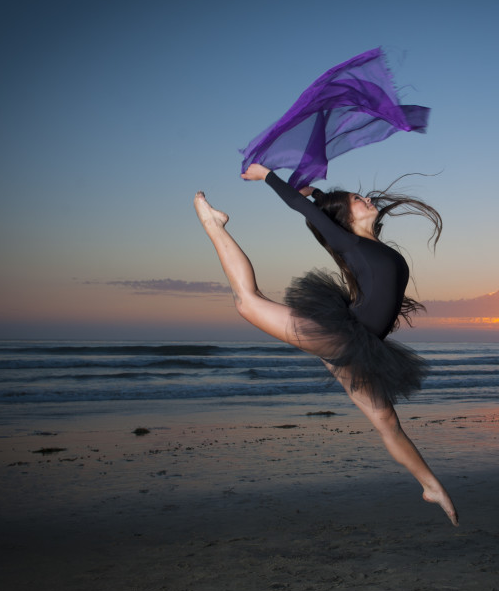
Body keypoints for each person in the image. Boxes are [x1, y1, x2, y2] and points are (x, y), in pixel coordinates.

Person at [194, 163, 458, 526]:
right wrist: (268, 175)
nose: (366, 199)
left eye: (362, 196)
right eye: (357, 199)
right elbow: (300, 208)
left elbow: (314, 204)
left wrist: (318, 193)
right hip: (340, 337)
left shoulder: (370, 244)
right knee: (247, 302)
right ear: (345, 216)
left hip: (360, 349)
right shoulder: (346, 241)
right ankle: (214, 225)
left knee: (387, 424)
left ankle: (432, 488)